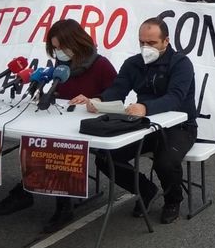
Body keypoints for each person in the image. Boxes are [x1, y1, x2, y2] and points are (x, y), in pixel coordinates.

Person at [0, 19, 117, 232]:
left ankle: (62, 206)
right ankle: (25, 191)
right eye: (55, 48)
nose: (58, 53)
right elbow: (61, 90)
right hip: (62, 120)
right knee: (34, 139)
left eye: (61, 47)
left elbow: (117, 92)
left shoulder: (101, 64)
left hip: (87, 124)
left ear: (76, 42)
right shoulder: (61, 66)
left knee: (55, 146)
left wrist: (96, 99)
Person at [70, 18, 198, 224]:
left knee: (165, 162)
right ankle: (146, 190)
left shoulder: (181, 63)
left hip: (179, 127)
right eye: (142, 42)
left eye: (152, 43)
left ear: (166, 41)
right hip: (143, 125)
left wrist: (146, 107)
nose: (146, 47)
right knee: (105, 157)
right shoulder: (133, 63)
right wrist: (98, 100)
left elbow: (176, 97)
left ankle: (173, 200)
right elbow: (118, 89)